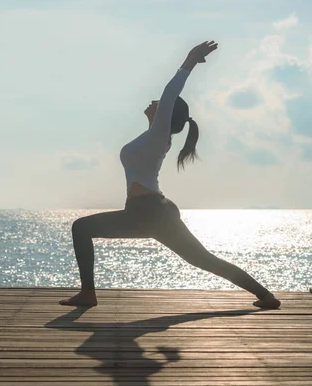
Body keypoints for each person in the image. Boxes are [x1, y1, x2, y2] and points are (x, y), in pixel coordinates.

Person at [59, 41, 281, 309]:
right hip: (148, 212)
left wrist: (188, 62)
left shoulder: (158, 136)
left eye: (161, 104)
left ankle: (88, 294)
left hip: (148, 211)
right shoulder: (152, 137)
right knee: (202, 259)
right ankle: (265, 295)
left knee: (81, 228)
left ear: (167, 113)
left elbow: (169, 93)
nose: (154, 102)